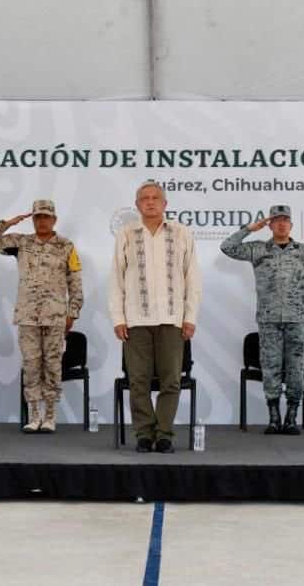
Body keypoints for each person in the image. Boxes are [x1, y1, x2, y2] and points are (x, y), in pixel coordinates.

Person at [109, 180, 201, 453]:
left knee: (171, 379)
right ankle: (143, 434)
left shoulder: (181, 233)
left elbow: (192, 278)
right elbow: (116, 278)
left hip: (172, 319)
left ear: (165, 204)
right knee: (138, 380)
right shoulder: (126, 234)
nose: (150, 202)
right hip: (136, 319)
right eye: (144, 198)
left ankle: (164, 435)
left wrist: (190, 316)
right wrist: (118, 317)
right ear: (137, 205)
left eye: (155, 197)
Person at [0, 199, 83, 433]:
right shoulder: (21, 243)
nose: (42, 221)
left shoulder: (66, 246)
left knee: (53, 365)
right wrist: (5, 224)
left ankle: (50, 416)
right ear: (33, 219)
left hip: (56, 316)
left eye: (46, 216)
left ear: (54, 219)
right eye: (38, 217)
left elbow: (74, 280)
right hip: (28, 316)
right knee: (31, 365)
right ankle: (34, 414)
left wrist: (73, 312)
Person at [220, 205, 304, 435]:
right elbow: (227, 247)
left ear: (291, 225)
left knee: (295, 368)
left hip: (297, 319)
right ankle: (274, 417)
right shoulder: (259, 250)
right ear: (270, 224)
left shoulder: (303, 252)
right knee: (271, 367)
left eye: (285, 220)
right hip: (269, 319)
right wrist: (249, 229)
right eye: (276, 220)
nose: (281, 224)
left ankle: (292, 417)